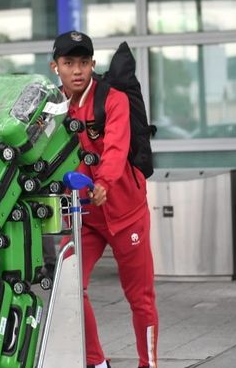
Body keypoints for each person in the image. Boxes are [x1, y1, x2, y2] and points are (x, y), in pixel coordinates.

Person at [51, 30, 158, 368]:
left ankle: (148, 363)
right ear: (56, 66)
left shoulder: (113, 99)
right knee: (70, 289)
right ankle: (96, 362)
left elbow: (116, 147)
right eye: (69, 63)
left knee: (140, 298)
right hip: (85, 219)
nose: (77, 70)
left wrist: (106, 182)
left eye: (84, 62)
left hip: (127, 213)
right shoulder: (52, 108)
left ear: (93, 64)